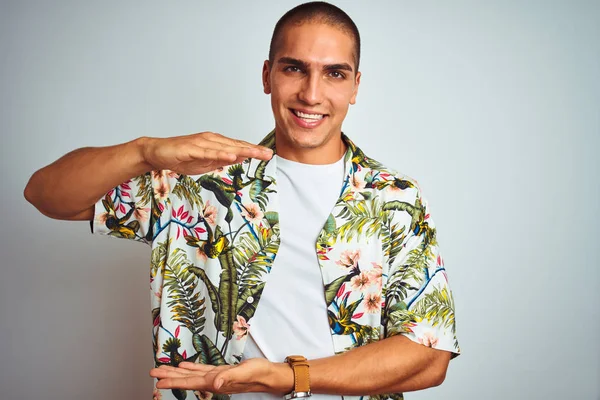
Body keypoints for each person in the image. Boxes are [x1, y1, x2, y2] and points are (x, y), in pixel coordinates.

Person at [24, 2, 460, 399]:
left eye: (334, 73)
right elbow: (46, 195)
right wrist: (144, 152)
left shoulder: (395, 198)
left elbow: (429, 354)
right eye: (294, 69)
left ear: (355, 85)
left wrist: (292, 375)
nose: (311, 93)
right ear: (267, 75)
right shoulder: (200, 182)